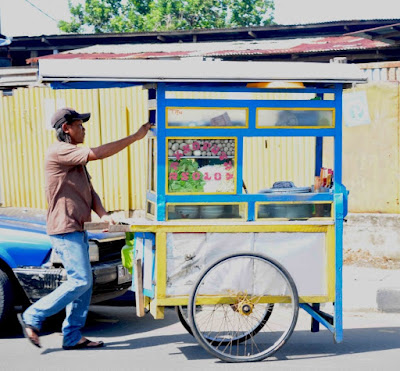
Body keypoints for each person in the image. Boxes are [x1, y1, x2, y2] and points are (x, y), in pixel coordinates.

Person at [18, 107, 152, 350]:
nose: (84, 128)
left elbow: (90, 192)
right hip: (64, 227)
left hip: (77, 227)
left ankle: (71, 336)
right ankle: (33, 315)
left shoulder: (75, 157)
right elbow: (99, 153)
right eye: (79, 125)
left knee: (85, 281)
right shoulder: (60, 151)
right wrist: (135, 137)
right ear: (66, 128)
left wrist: (103, 214)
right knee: (80, 280)